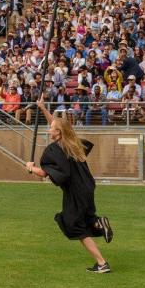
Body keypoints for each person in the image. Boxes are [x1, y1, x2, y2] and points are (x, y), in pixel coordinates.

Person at [25, 98, 113, 274]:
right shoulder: (73, 143)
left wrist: (31, 168)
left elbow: (45, 173)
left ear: (57, 132)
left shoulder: (54, 150)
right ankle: (97, 223)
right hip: (87, 187)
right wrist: (43, 108)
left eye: (51, 128)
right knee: (85, 219)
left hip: (75, 191)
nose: (49, 128)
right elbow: (59, 125)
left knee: (74, 225)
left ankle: (102, 263)